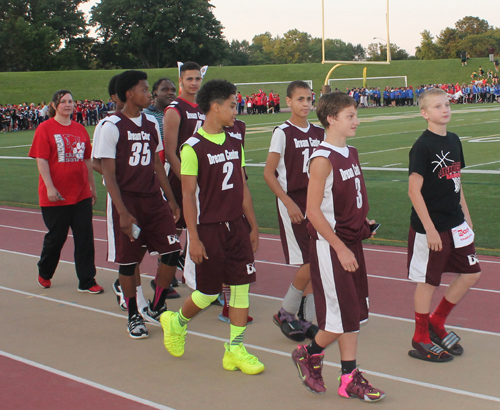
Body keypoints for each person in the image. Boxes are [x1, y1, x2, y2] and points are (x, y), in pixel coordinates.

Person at [160, 79, 264, 375]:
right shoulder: (192, 147)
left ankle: (235, 350)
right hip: (209, 229)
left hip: (237, 227)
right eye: (232, 105)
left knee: (241, 289)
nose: (236, 110)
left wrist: (253, 226)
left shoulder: (235, 141)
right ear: (215, 107)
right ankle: (176, 322)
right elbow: (189, 195)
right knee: (207, 293)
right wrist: (193, 237)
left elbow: (242, 186)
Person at [291, 92, 385, 402]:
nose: (357, 120)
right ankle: (309, 353)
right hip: (331, 248)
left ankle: (348, 377)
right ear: (331, 119)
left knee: (354, 314)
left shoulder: (351, 152)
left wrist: (361, 220)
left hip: (351, 242)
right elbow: (314, 211)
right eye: (350, 116)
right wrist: (340, 248)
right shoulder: (322, 158)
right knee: (342, 315)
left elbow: (346, 197)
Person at [95, 70, 182, 339]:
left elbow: (157, 163)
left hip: (153, 199)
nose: (149, 94)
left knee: (171, 250)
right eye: (144, 89)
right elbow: (108, 173)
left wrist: (171, 199)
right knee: (129, 260)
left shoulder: (150, 123)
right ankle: (133, 313)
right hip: (128, 200)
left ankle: (157, 304)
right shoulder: (111, 126)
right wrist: (122, 212)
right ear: (129, 93)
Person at [407, 88, 481, 362]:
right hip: (432, 225)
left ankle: (437, 321)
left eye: (447, 104)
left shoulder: (454, 139)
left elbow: (456, 181)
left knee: (472, 273)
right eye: (437, 106)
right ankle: (421, 336)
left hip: (456, 222)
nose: (445, 109)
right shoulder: (422, 146)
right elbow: (414, 191)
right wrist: (428, 229)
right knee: (429, 282)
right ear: (425, 113)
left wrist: (467, 216)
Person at [263, 81, 323, 342]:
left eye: (309, 99)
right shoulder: (283, 132)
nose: (306, 104)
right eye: (300, 99)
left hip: (316, 203)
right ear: (288, 102)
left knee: (319, 260)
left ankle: (305, 318)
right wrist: (288, 203)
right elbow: (268, 173)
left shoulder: (319, 133)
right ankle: (286, 311)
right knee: (310, 260)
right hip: (295, 202)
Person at [28, 90, 103, 294]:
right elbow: (41, 159)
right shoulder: (45, 129)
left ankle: (87, 280)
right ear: (54, 105)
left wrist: (92, 186)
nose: (68, 105)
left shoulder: (80, 129)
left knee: (85, 238)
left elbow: (87, 160)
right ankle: (45, 271)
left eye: (71, 101)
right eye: (63, 102)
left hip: (80, 194)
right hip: (56, 195)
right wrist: (50, 187)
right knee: (56, 238)